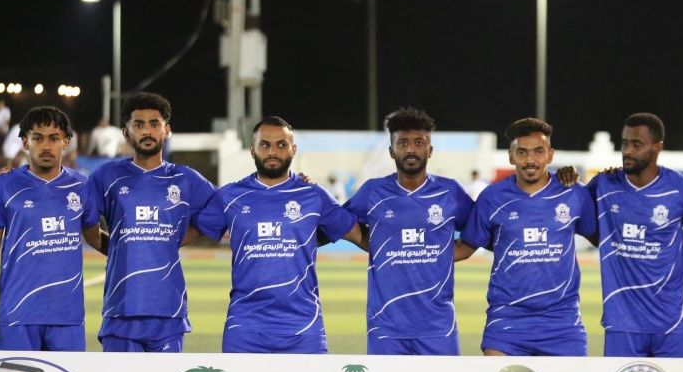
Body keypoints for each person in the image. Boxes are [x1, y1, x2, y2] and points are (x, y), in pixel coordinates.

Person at [196, 117, 364, 353]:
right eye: (265, 145)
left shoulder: (314, 195)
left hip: (304, 327)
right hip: (245, 328)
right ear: (253, 150)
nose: (273, 152)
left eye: (281, 145)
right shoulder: (230, 196)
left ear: (293, 149)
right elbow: (184, 234)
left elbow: (361, 237)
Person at [88, 92, 216, 353]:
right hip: (121, 308)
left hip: (168, 310)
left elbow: (223, 208)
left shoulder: (185, 179)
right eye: (139, 125)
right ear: (126, 133)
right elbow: (85, 221)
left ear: (166, 130)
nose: (147, 131)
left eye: (154, 124)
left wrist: (173, 241)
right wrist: (118, 248)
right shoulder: (106, 175)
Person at [457, 118, 597, 356]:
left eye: (538, 151)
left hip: (562, 323)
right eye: (522, 152)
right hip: (507, 321)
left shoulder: (573, 192)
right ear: (511, 156)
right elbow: (465, 247)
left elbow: (601, 238)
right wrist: (410, 253)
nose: (530, 160)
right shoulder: (492, 197)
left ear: (550, 155)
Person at [0, 107, 104, 351]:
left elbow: (95, 237)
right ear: (25, 142)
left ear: (66, 142)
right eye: (38, 138)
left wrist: (135, 247)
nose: (46, 146)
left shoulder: (82, 186)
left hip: (68, 318)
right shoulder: (3, 185)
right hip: (17, 315)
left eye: (54, 138)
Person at [344, 107, 474, 355]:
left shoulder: (450, 192)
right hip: (386, 327)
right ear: (392, 151)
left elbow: (478, 230)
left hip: (438, 326)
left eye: (419, 142)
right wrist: (377, 245)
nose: (411, 149)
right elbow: (341, 223)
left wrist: (447, 253)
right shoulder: (373, 191)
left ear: (430, 150)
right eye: (403, 143)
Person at [588, 113, 683, 357]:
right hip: (622, 323)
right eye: (625, 143)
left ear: (657, 147)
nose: (627, 151)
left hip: (672, 323)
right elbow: (580, 219)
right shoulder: (603, 185)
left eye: (637, 144)